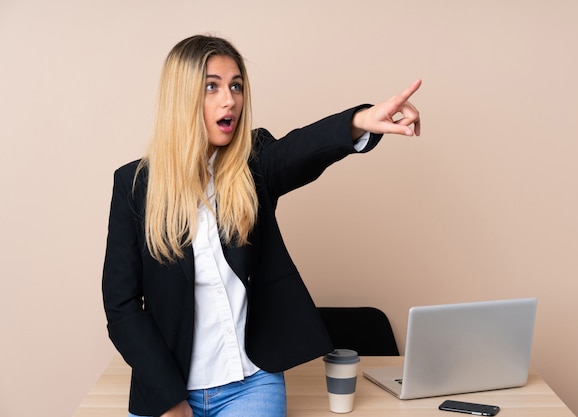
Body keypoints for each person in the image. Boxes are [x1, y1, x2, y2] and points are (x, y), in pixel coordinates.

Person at [102, 34, 421, 417]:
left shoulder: (252, 164)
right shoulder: (134, 186)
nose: (229, 99)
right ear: (181, 98)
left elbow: (301, 150)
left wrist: (359, 122)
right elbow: (122, 307)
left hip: (251, 385)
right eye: (212, 87)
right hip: (167, 388)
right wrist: (170, 401)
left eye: (236, 85)